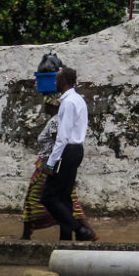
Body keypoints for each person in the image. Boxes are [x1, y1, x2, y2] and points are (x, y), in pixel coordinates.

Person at [21, 96, 97, 240]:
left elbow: (59, 144)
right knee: (66, 200)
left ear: (51, 106)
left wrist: (51, 165)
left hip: (49, 166)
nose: (44, 106)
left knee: (39, 199)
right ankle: (74, 234)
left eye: (46, 104)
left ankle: (85, 231)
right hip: (53, 165)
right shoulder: (60, 120)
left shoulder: (55, 121)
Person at [40, 67, 96, 241]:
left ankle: (81, 230)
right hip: (75, 150)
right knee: (64, 197)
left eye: (56, 79)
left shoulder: (69, 102)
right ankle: (65, 239)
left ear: (63, 82)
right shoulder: (78, 99)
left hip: (67, 151)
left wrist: (50, 163)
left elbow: (62, 136)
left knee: (48, 196)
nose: (54, 82)